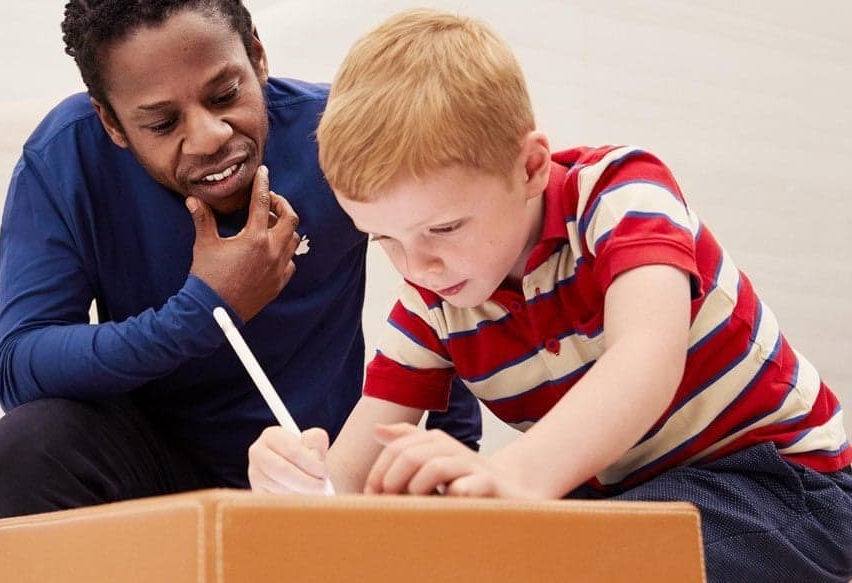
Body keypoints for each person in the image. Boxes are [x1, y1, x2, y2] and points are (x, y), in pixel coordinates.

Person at [248, 9, 852, 582]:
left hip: (787, 485)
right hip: (626, 503)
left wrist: (512, 475)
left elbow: (646, 363)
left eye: (444, 228)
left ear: (532, 167)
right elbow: (349, 472)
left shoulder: (620, 198)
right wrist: (303, 487)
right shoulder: (436, 301)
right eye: (385, 239)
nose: (418, 265)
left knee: (563, 557)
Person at [0, 0, 482, 519]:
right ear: (111, 122)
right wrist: (202, 310)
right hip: (151, 481)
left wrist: (454, 451)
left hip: (311, 474)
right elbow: (21, 362)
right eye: (162, 123)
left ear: (258, 57)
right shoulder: (67, 157)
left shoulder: (334, 136)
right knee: (29, 446)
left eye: (225, 95)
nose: (210, 136)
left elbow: (448, 286)